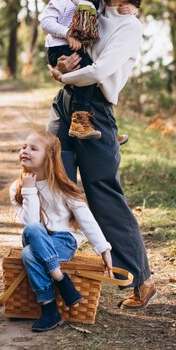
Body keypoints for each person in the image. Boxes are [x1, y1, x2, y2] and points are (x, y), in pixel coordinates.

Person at [47, 0, 157, 310]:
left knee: (102, 194)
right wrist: (59, 66)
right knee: (54, 183)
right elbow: (64, 41)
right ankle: (49, 275)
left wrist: (65, 74)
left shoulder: (130, 26)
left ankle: (141, 278)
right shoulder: (91, 3)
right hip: (65, 103)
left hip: (94, 109)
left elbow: (99, 70)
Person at [9, 130, 114, 332]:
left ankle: (48, 308)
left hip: (63, 240)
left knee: (28, 254)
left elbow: (86, 218)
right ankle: (60, 278)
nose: (25, 151)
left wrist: (103, 248)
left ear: (48, 156)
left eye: (33, 148)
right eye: (23, 147)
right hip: (36, 237)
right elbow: (31, 223)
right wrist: (29, 189)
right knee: (33, 229)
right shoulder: (18, 188)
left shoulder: (61, 186)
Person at [41, 0, 131, 145]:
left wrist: (133, 7)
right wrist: (67, 33)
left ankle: (103, 128)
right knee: (89, 71)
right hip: (59, 48)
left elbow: (120, 1)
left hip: (78, 48)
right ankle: (79, 120)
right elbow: (46, 22)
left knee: (91, 77)